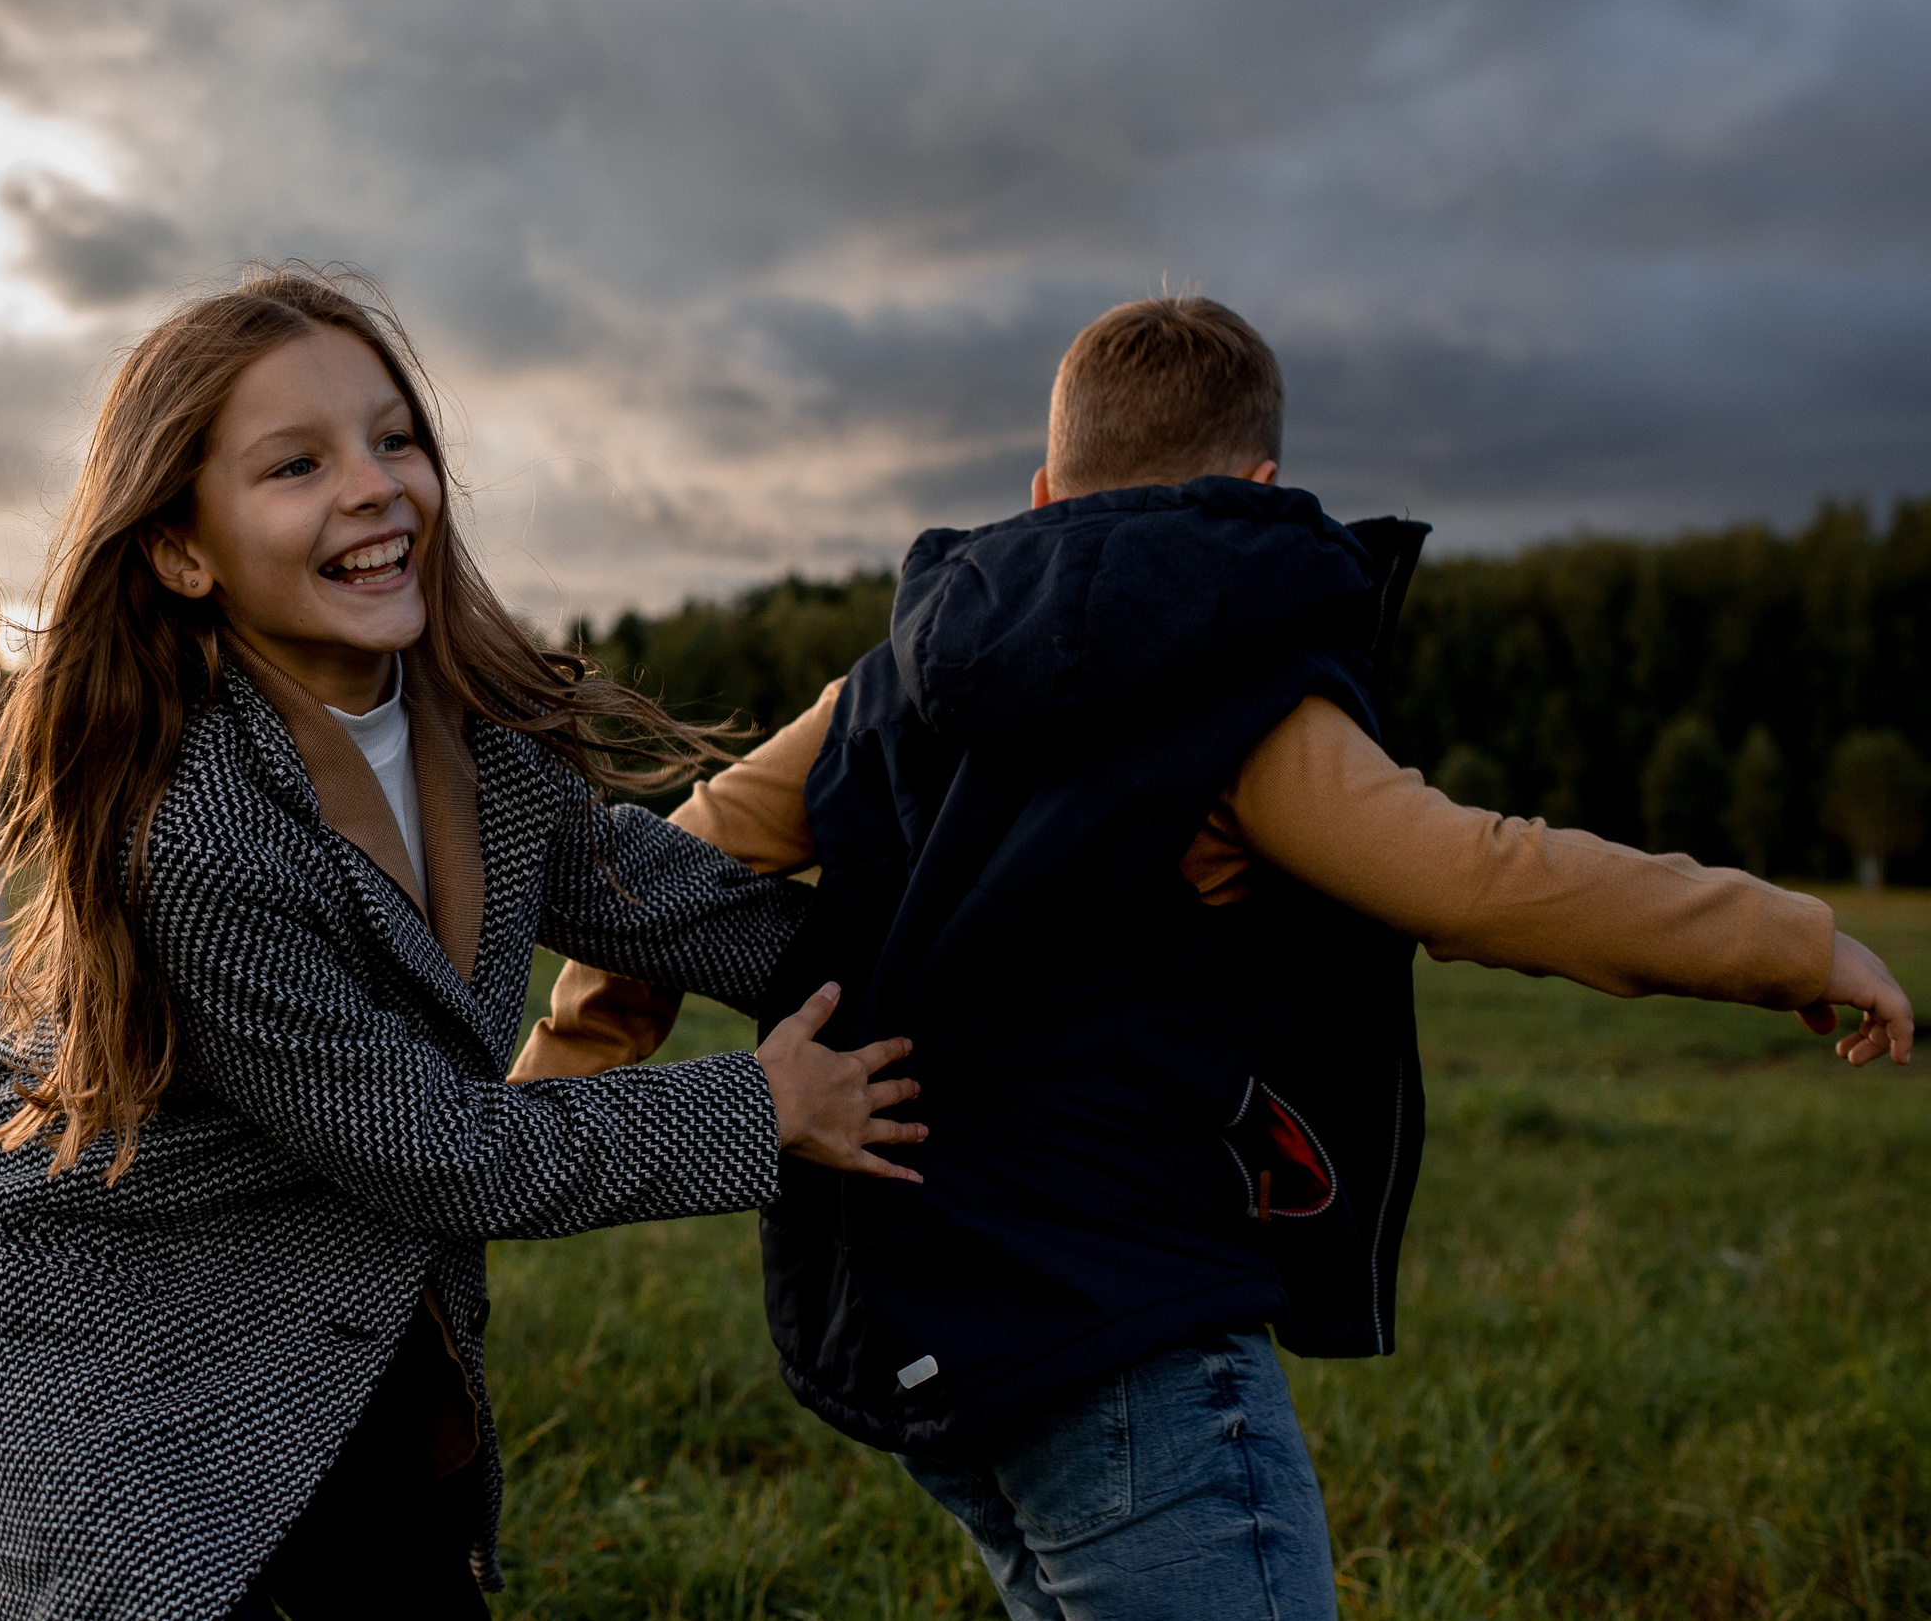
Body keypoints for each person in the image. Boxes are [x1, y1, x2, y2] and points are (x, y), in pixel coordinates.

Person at [518, 296, 1915, 1621]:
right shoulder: (1245, 704)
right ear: (1255, 488)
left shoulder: (882, 684)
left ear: (1045, 490)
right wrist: (1793, 939)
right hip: (1125, 1327)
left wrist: (548, 1084)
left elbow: (654, 875)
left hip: (920, 1325)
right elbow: (1487, 878)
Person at [0, 267, 923, 1618]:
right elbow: (445, 1148)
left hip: (354, 1282)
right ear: (180, 547)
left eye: (394, 437)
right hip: (133, 1332)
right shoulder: (198, 833)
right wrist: (764, 1104)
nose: (375, 483)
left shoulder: (473, 736)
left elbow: (659, 893)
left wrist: (916, 957)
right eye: (297, 464)